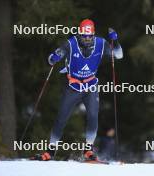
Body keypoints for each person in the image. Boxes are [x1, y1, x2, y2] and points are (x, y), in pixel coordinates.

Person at [33, 19, 123, 161]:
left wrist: (115, 41)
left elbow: (119, 55)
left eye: (89, 36)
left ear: (93, 35)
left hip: (90, 86)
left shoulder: (101, 43)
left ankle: (88, 150)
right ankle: (50, 151)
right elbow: (51, 59)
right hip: (73, 87)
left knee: (93, 116)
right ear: (79, 34)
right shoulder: (70, 43)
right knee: (61, 118)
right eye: (83, 36)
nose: (86, 39)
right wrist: (54, 58)